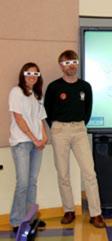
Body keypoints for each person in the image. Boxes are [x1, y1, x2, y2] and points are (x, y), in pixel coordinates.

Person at [44, 50, 105, 228]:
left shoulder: (85, 87)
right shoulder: (54, 87)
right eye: (66, 63)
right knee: (63, 173)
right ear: (61, 65)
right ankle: (69, 210)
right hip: (59, 131)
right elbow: (46, 109)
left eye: (73, 62)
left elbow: (88, 109)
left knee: (90, 173)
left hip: (79, 130)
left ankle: (96, 214)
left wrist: (79, 124)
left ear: (77, 64)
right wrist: (57, 127)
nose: (71, 65)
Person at [9, 62, 48, 232]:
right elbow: (18, 118)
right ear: (22, 75)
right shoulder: (16, 92)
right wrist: (34, 139)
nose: (32, 76)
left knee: (32, 182)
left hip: (36, 144)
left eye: (35, 74)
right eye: (28, 73)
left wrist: (43, 138)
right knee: (23, 183)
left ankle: (30, 219)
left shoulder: (38, 95)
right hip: (22, 143)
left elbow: (40, 119)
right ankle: (17, 221)